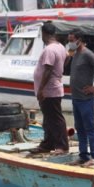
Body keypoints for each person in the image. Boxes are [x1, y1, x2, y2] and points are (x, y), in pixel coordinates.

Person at [67, 31, 94, 167]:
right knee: (80, 128)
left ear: (79, 40)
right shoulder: (75, 53)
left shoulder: (87, 53)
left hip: (86, 99)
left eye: (72, 39)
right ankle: (83, 155)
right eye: (69, 39)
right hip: (76, 98)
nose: (70, 42)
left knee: (90, 128)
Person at [30, 22, 69, 155]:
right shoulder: (60, 47)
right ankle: (48, 143)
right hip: (53, 88)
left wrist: (41, 89)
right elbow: (67, 58)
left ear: (44, 34)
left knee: (55, 118)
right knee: (48, 119)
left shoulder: (49, 49)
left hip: (49, 90)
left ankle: (62, 146)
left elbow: (47, 69)